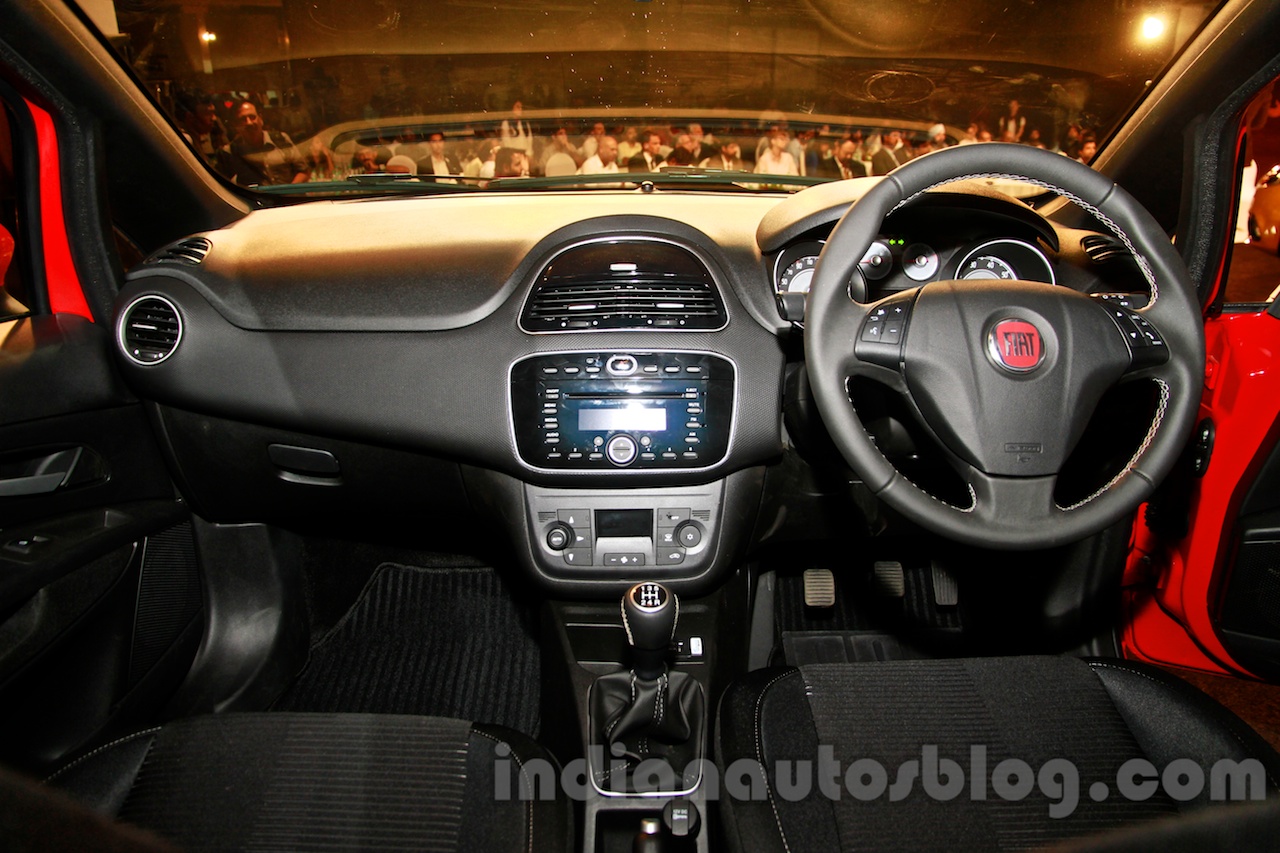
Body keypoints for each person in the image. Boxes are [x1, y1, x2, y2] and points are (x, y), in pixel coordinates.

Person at [224, 100, 308, 186]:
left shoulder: (281, 139)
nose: (249, 123)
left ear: (260, 119)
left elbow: (303, 171)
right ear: (236, 125)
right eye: (243, 119)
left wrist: (290, 191)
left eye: (252, 117)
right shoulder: (231, 151)